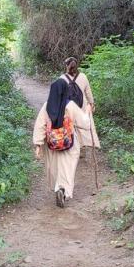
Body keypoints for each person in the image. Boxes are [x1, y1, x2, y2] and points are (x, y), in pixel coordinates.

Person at [33, 78, 92, 207]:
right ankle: (63, 189)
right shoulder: (70, 105)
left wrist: (38, 144)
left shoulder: (46, 106)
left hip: (52, 144)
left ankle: (57, 187)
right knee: (68, 167)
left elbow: (40, 125)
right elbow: (85, 124)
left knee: (55, 167)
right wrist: (87, 111)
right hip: (69, 143)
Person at [63, 57, 101, 149]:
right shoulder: (83, 76)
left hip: (68, 107)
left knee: (70, 126)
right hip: (82, 106)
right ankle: (82, 147)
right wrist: (92, 104)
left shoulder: (62, 78)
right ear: (77, 65)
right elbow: (88, 92)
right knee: (82, 126)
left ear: (67, 66)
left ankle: (72, 147)